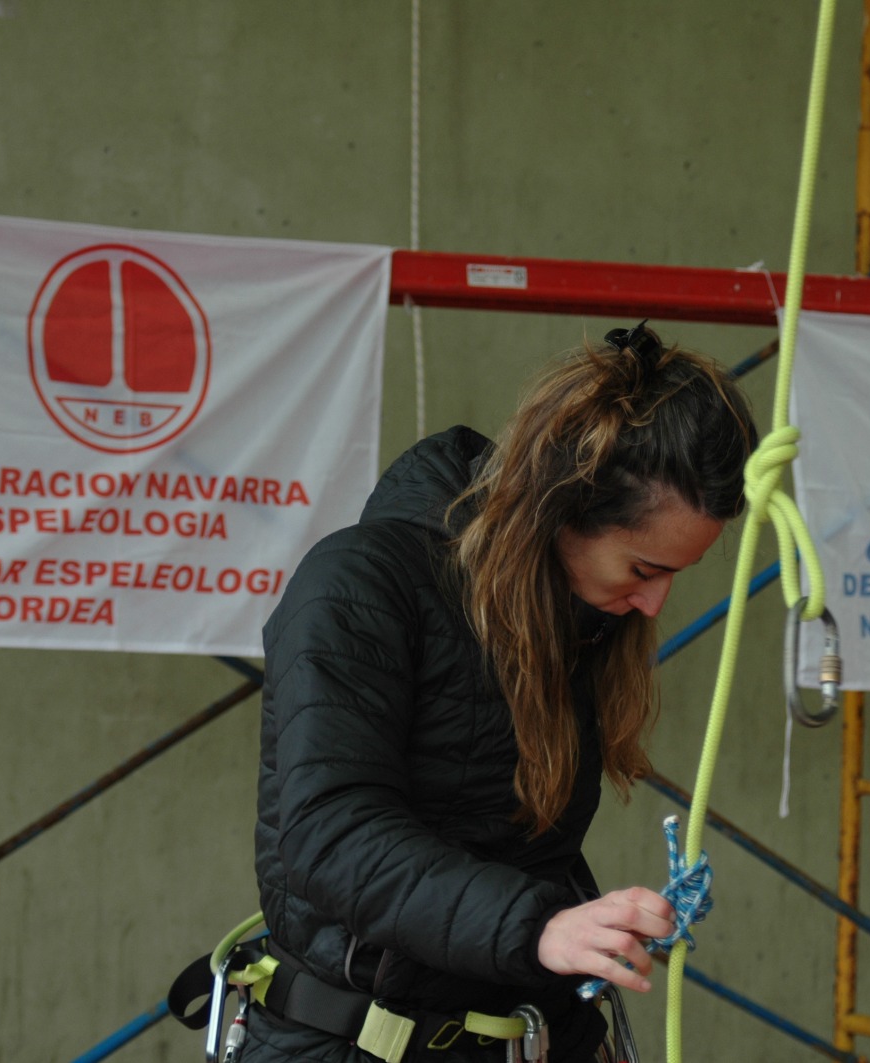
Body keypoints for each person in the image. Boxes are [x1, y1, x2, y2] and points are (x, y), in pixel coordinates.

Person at [244, 323, 758, 1062]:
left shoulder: (576, 618)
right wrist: (540, 926)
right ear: (562, 511)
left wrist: (587, 952)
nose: (656, 604)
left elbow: (521, 858)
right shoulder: (357, 585)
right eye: (643, 569)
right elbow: (331, 835)